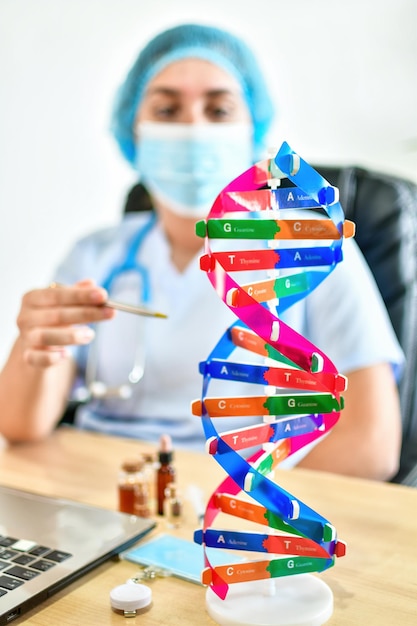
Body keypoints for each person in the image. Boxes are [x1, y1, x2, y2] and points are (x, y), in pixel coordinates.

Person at [0, 24, 404, 481]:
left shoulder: (315, 248)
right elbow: (20, 427)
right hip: (102, 494)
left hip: (243, 517)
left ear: (254, 130)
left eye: (219, 109)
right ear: (132, 129)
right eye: (167, 109)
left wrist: (232, 510)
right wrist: (33, 344)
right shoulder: (95, 256)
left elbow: (371, 449)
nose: (193, 127)